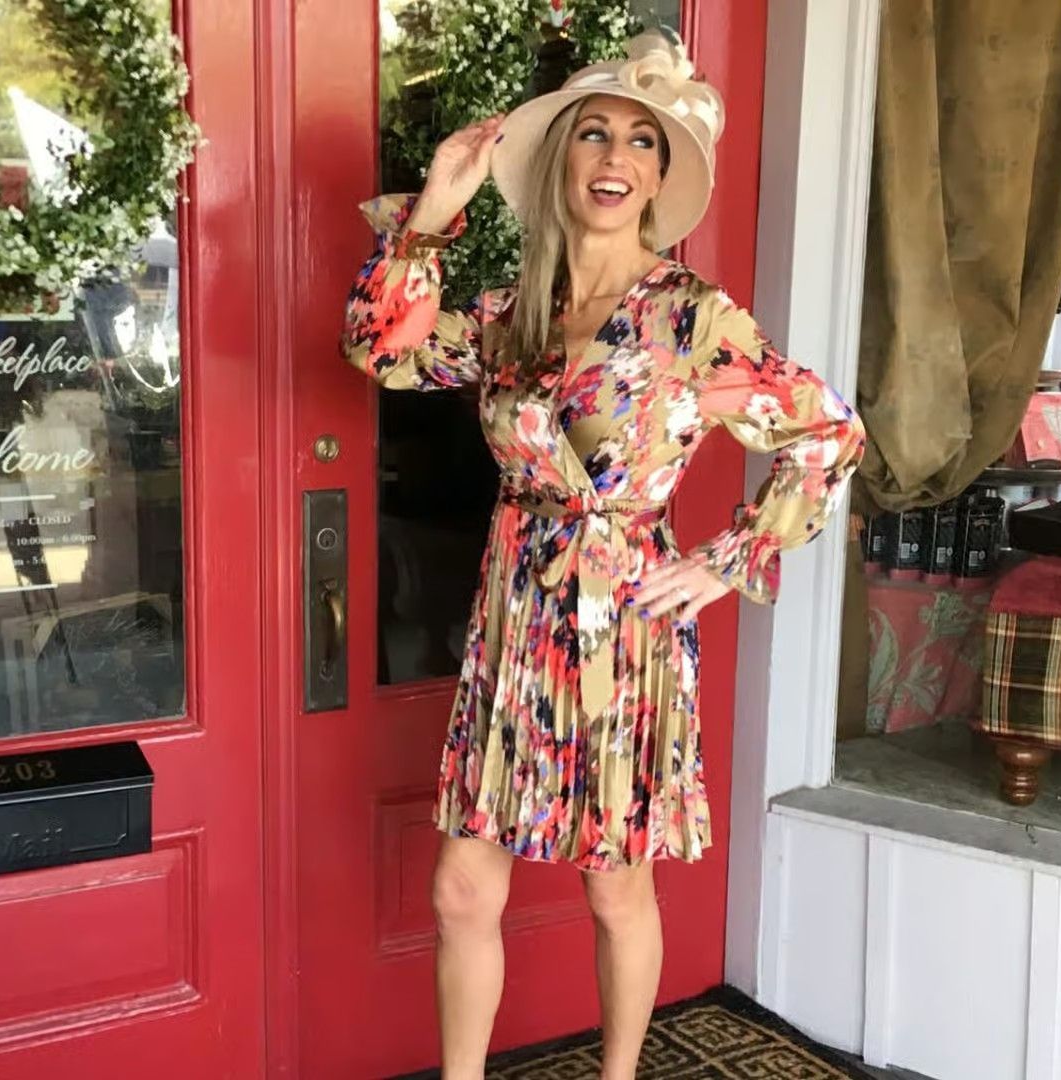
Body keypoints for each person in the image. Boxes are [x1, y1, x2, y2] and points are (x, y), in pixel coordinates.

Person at [341, 31, 867, 1080]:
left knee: (615, 886)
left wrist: (728, 560)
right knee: (461, 888)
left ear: (659, 178)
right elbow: (382, 350)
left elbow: (828, 432)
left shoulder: (691, 320)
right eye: (593, 132)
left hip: (621, 625)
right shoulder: (511, 317)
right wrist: (434, 212)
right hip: (515, 616)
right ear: (560, 161)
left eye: (641, 139)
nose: (615, 156)